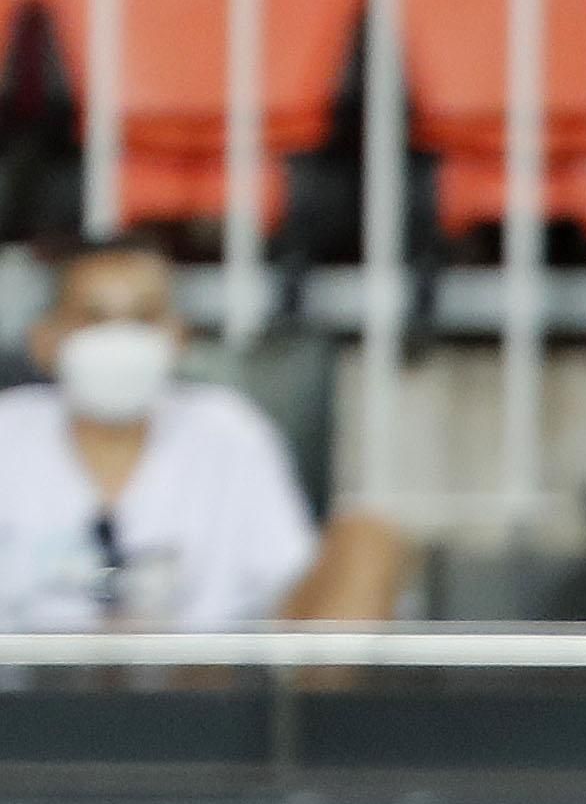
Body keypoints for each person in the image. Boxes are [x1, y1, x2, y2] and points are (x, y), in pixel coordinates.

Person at [0, 239, 407, 627]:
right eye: (95, 319)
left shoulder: (228, 432)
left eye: (143, 319)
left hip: (206, 673)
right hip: (22, 674)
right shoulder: (9, 431)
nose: (120, 338)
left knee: (368, 542)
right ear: (44, 340)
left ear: (177, 337)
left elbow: (289, 594)